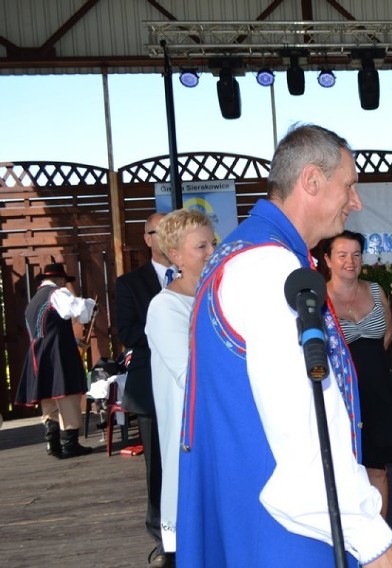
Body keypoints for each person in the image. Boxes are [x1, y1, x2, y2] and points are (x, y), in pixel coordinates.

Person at [176, 124, 392, 567]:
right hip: (289, 530)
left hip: (251, 510)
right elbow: (302, 424)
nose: (356, 201)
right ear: (312, 181)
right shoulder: (269, 268)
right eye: (350, 185)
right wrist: (377, 544)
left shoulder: (245, 252)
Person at [322, 230, 392, 520]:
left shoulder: (376, 290)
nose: (350, 261)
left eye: (356, 254)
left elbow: (387, 336)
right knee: (347, 468)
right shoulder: (318, 298)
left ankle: (380, 537)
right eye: (342, 255)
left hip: (378, 392)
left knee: (378, 468)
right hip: (342, 398)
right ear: (327, 260)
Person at [145, 209, 216, 563]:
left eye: (213, 243)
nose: (210, 251)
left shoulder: (219, 299)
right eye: (200, 245)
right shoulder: (165, 308)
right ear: (176, 256)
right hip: (190, 438)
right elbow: (192, 377)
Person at [115, 211, 174, 568]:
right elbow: (127, 332)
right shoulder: (129, 284)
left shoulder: (194, 278)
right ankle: (163, 540)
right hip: (151, 387)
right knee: (158, 466)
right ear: (148, 238)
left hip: (192, 389)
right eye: (158, 231)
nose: (165, 236)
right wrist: (168, 335)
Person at [15, 262, 96, 459]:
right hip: (57, 353)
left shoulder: (33, 302)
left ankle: (52, 444)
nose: (64, 285)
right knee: (67, 395)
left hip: (39, 354)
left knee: (48, 397)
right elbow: (76, 310)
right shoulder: (56, 293)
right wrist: (90, 305)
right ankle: (70, 444)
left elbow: (49, 329)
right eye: (63, 281)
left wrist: (74, 340)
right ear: (58, 280)